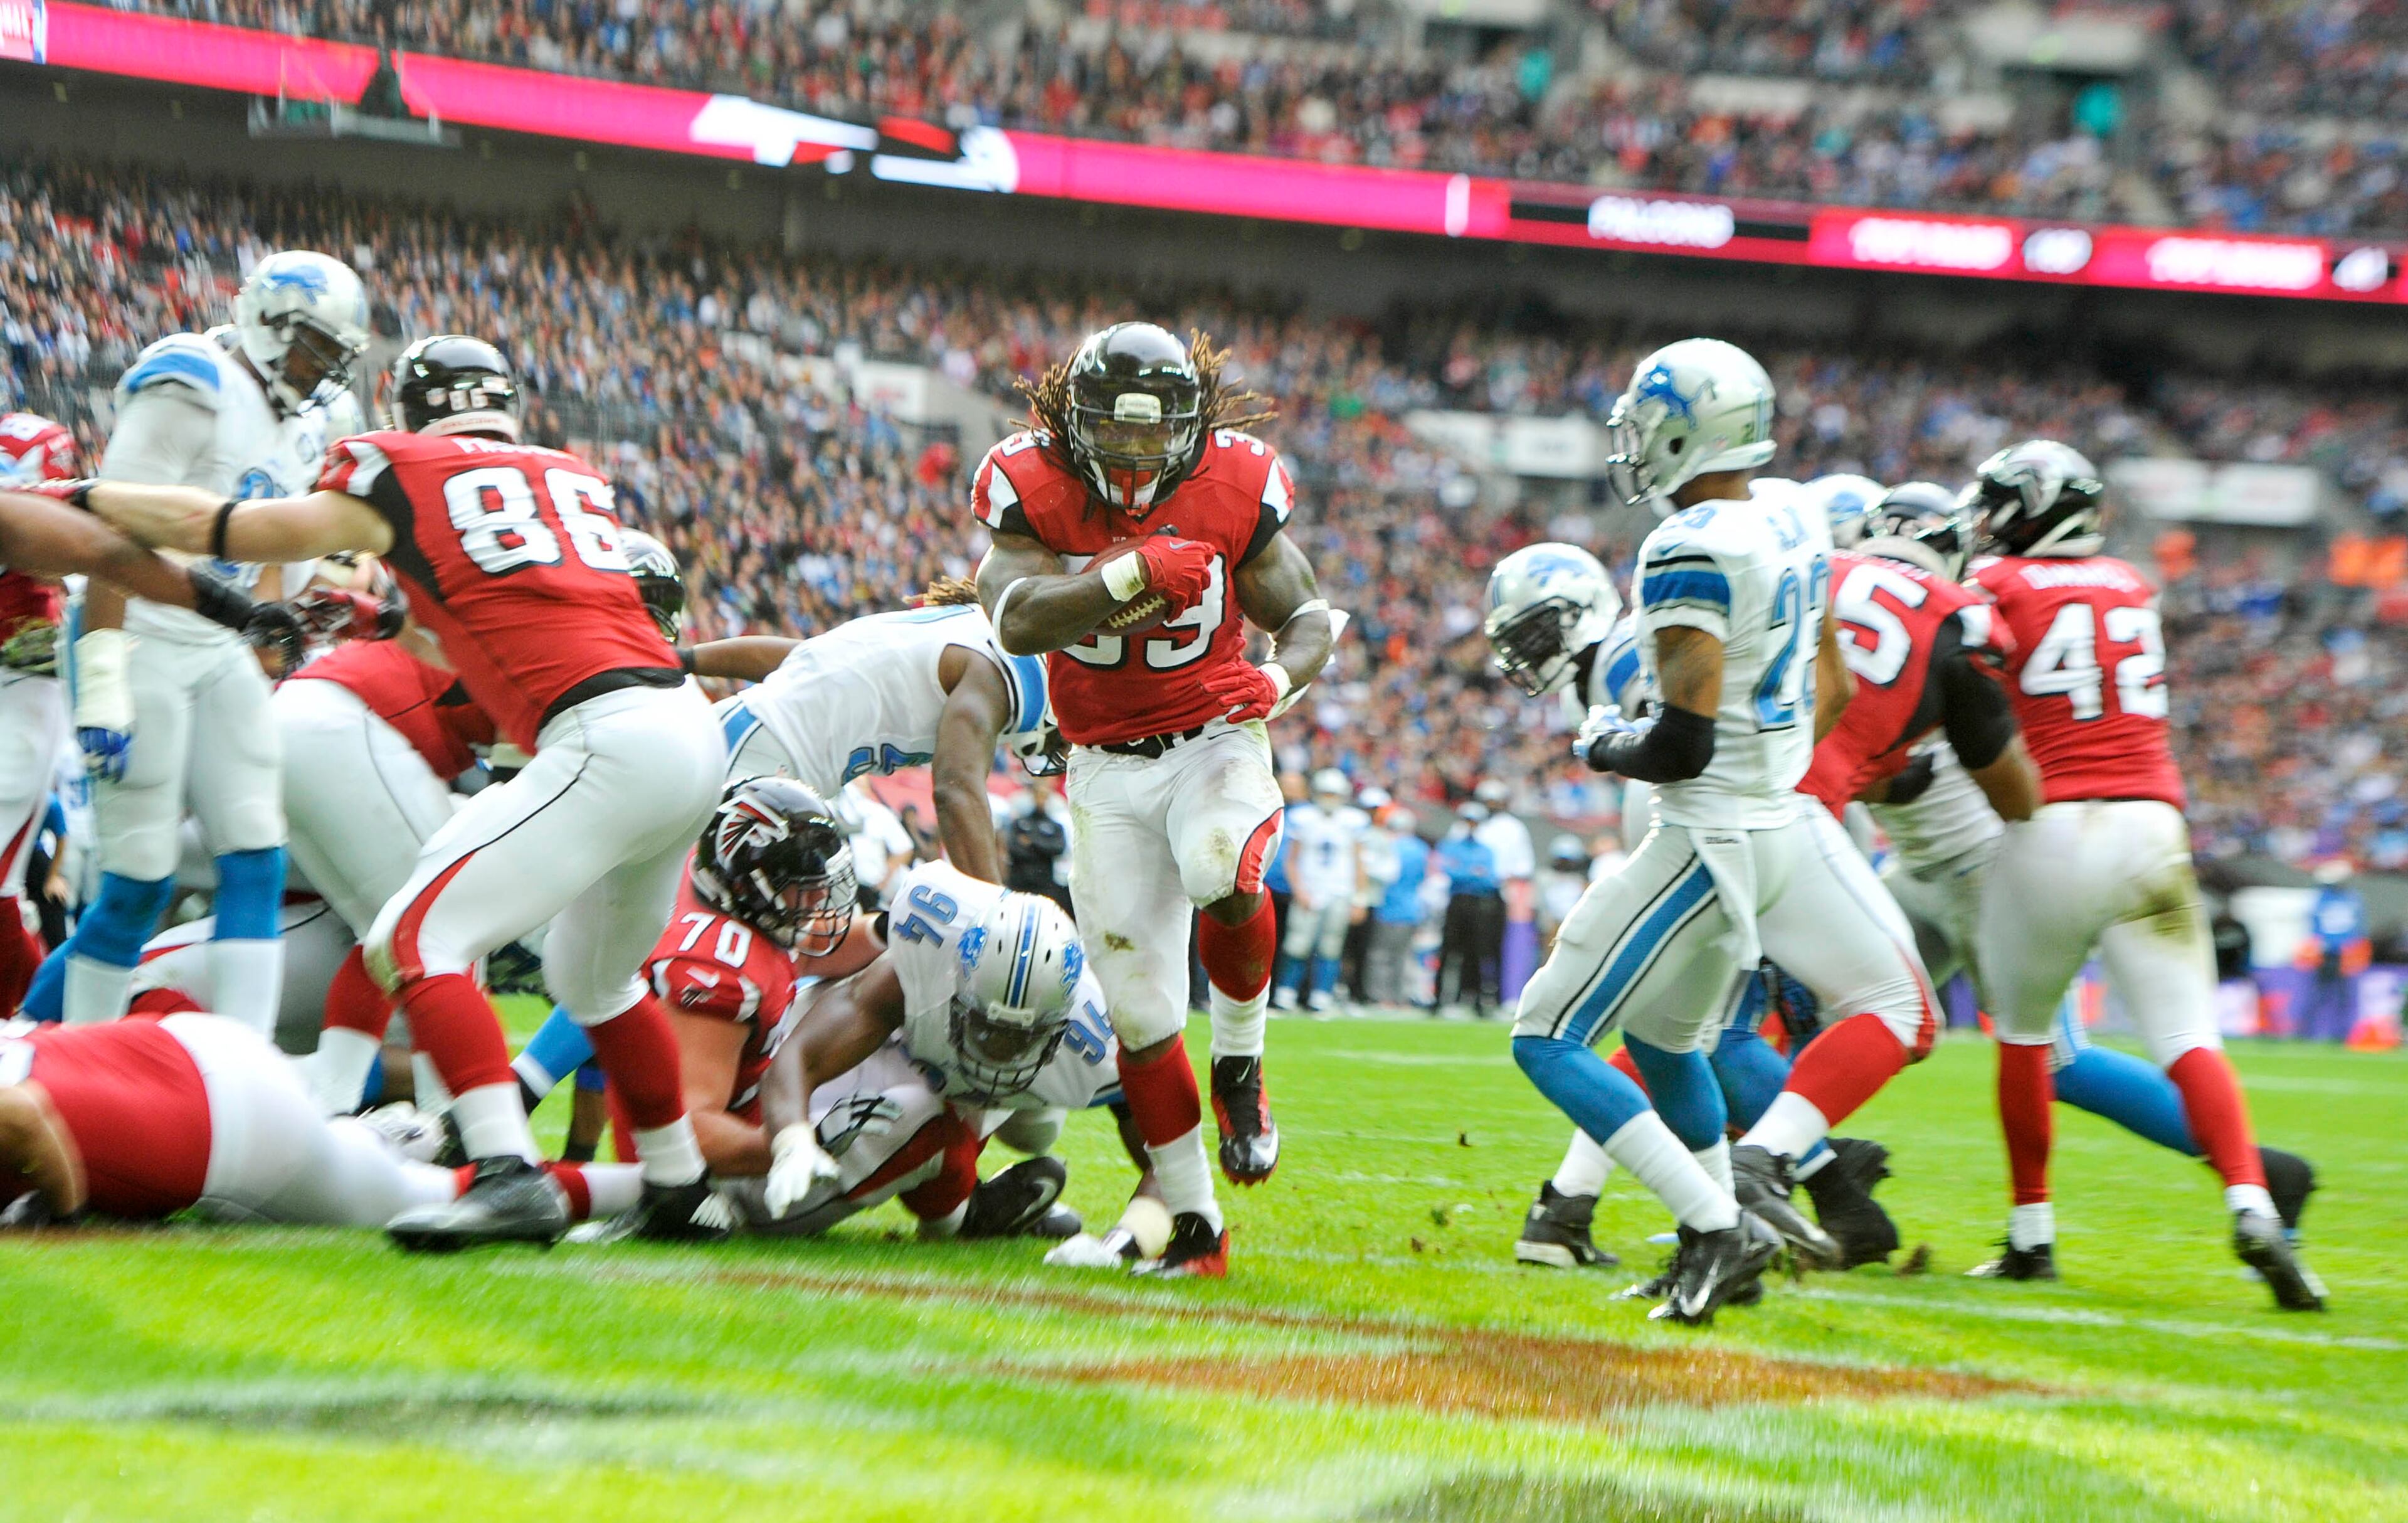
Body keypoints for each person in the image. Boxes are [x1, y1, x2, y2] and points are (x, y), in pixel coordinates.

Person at [76, 333, 728, 1250]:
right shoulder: (564, 474)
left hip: (607, 735)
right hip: (683, 728)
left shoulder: (395, 469)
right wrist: (385, 618)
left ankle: (507, 1172)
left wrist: (84, 497)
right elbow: (477, 619)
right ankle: (677, 1184)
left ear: (408, 411)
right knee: (596, 978)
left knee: (414, 936)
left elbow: (219, 531)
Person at [1514, 337, 1938, 1324]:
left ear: (1677, 432)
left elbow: (1681, 748)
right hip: (1785, 818)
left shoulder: (1687, 545)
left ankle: (1714, 1228)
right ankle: (1718, 1228)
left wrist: (1603, 744)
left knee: (1544, 1035)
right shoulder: (1791, 514)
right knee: (1667, 1046)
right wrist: (1774, 766)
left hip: (1708, 836)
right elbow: (1831, 688)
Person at [972, 322, 1334, 1275]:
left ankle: (1243, 1064)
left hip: (1214, 733)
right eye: (1115, 430)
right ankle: (1196, 1227)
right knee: (1138, 1014)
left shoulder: (1236, 483)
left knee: (1223, 865)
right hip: (1101, 764)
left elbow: (1307, 618)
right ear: (1072, 420)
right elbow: (1014, 618)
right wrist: (1128, 574)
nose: (1134, 451)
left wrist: (1277, 684)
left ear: (1191, 422)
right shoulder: (1031, 484)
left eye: (1152, 431)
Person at [1964, 440, 2323, 1309]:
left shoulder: (1996, 587)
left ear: (2033, 509)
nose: (1986, 520)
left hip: (2053, 826)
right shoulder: (2131, 585)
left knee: (2024, 1036)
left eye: (2000, 504)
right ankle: (2249, 1199)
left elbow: (1964, 679)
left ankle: (2032, 1235)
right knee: (2190, 1036)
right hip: (2153, 827)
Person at [29, 252, 371, 1037]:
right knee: (137, 880)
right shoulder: (194, 379)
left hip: (216, 642)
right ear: (268, 319)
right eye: (312, 346)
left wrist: (272, 653)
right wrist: (105, 669)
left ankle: (240, 1064)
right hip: (139, 631)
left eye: (333, 356)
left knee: (257, 851)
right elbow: (109, 534)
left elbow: (270, 582)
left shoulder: (308, 421)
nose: (319, 370)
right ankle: (75, 1056)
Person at [752, 860, 1123, 1241]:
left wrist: (1137, 1231)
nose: (996, 1048)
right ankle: (965, 1214)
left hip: (980, 1090)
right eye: (985, 1026)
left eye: (1019, 1037)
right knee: (925, 1122)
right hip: (896, 1053)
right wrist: (792, 1141)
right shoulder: (927, 951)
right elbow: (801, 1055)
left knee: (1034, 1131)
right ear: (957, 974)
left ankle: (962, 1212)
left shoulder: (1098, 1038)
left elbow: (1168, 1135)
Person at [0, 1012, 638, 1229]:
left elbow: (26, 1115)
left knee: (435, 1198)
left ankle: (658, 1186)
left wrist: (63, 1216)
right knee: (347, 1159)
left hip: (235, 1129)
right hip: (192, 1046)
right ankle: (387, 1135)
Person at [695, 587, 1056, 883]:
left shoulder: (968, 629)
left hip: (749, 737)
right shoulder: (1010, 675)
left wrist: (685, 659)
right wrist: (994, 918)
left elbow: (801, 656)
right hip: (763, 764)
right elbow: (955, 789)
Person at [0, 414, 84, 1013]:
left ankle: (44, 1025)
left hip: (24, 700)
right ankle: (42, 1023)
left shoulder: (45, 561)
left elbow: (62, 562)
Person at [1271, 768, 1363, 1014]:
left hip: (1340, 891)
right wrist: (1299, 890)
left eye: (1334, 793)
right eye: (1326, 793)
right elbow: (1292, 859)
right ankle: (1286, 993)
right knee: (1297, 945)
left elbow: (1358, 861)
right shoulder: (1304, 817)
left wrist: (1359, 898)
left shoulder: (1352, 820)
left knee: (1331, 947)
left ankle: (1322, 996)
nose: (1330, 798)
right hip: (1309, 889)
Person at [1435, 802, 1506, 1019]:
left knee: (1476, 952)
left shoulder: (1487, 850)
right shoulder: (1452, 846)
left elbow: (1489, 879)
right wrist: (1472, 873)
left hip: (1478, 904)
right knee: (1449, 950)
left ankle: (1473, 999)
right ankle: (1440, 999)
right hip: (1458, 902)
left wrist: (1467, 873)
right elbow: (1451, 872)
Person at [1360, 804, 1428, 1009]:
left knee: (1380, 956)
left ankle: (1379, 996)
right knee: (1402, 957)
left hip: (1388, 907)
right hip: (1412, 909)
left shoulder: (1388, 845)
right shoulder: (1420, 848)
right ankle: (1399, 997)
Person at [2294, 861, 2368, 1042]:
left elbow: (2358, 928)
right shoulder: (2325, 898)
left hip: (2344, 953)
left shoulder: (2350, 898)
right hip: (2327, 953)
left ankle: (2342, 1034)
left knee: (2342, 996)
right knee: (2319, 994)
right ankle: (2307, 1033)